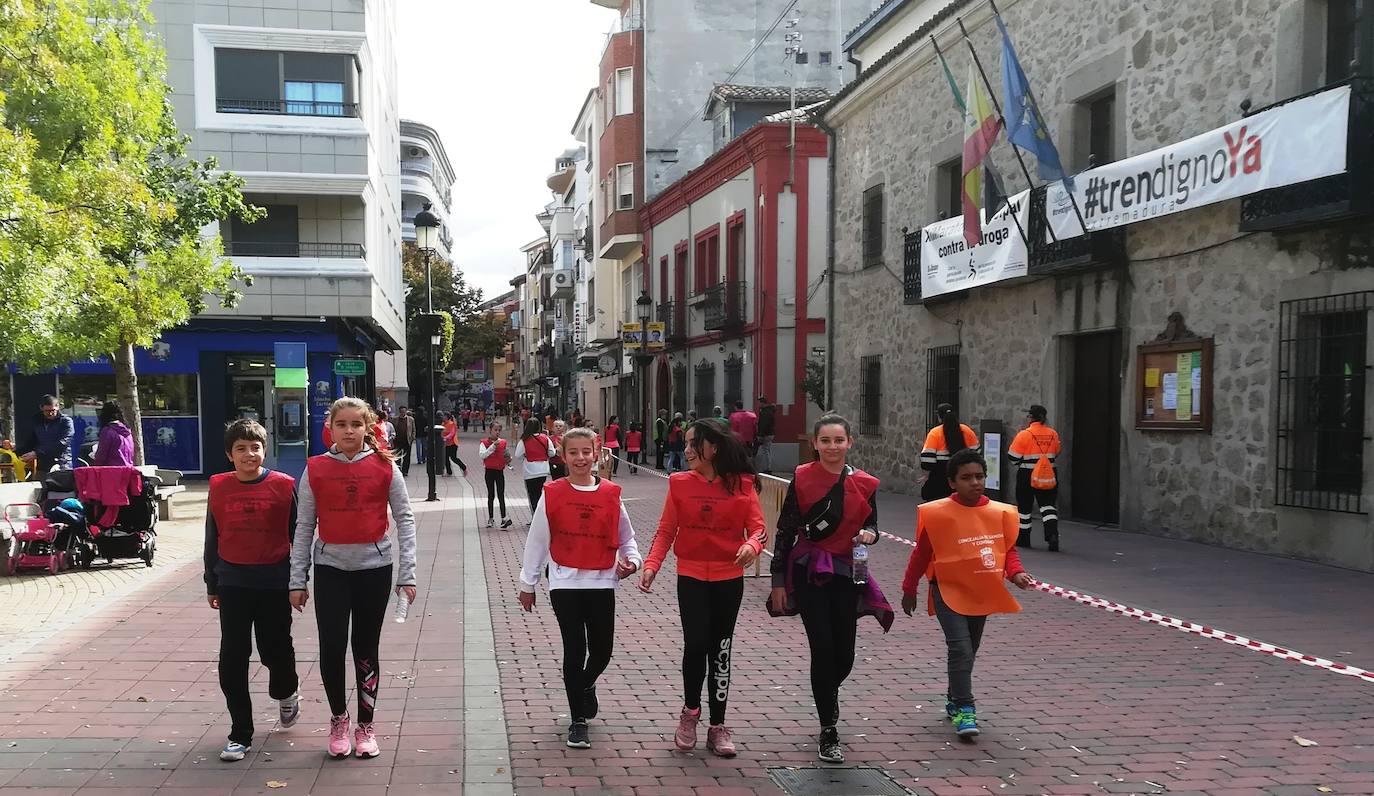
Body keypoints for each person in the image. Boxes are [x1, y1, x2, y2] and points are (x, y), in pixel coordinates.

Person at [290, 398, 418, 760]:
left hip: (373, 569)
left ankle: (366, 725)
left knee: (365, 648)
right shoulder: (315, 468)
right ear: (329, 427)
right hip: (330, 569)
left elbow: (405, 519)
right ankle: (338, 719)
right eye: (341, 424)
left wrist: (407, 574)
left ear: (368, 428)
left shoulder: (385, 467)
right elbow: (304, 526)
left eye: (356, 424)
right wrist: (296, 580)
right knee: (331, 647)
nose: (349, 431)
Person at [769, 414, 893, 763]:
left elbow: (873, 525)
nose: (832, 447)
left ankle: (826, 691)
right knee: (823, 648)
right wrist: (778, 580)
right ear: (815, 444)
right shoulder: (802, 478)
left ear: (850, 442)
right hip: (810, 570)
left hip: (848, 570)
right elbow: (785, 529)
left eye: (839, 440)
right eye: (826, 441)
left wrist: (870, 535)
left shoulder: (865, 484)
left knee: (845, 655)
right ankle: (828, 729)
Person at [639, 420, 766, 758]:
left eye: (695, 443)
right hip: (692, 576)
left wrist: (752, 545)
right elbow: (666, 530)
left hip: (729, 578)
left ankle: (718, 726)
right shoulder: (679, 483)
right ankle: (690, 714)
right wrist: (652, 565)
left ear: (715, 447)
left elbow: (759, 529)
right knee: (696, 645)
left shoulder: (742, 485)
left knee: (721, 649)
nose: (688, 450)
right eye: (687, 443)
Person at [517, 427, 641, 749]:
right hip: (564, 582)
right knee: (574, 650)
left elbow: (626, 536)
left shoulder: (611, 494)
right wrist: (527, 583)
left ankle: (585, 686)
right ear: (562, 455)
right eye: (573, 452)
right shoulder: (553, 493)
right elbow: (538, 541)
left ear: (596, 453)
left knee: (602, 651)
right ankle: (577, 721)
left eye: (586, 451)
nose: (581, 458)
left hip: (602, 581)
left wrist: (634, 560)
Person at [900, 449, 1034, 739]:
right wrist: (909, 589)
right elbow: (921, 554)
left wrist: (1016, 574)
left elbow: (1006, 550)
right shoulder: (938, 514)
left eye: (979, 476)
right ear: (952, 483)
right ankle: (965, 709)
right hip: (946, 591)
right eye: (966, 478)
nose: (974, 482)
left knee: (969, 651)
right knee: (960, 648)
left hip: (980, 590)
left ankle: (953, 697)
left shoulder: (999, 513)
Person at [205, 419, 301, 762]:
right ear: (230, 455)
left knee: (274, 651)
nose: (249, 454)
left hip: (274, 581)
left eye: (255, 447)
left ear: (265, 449)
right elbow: (212, 536)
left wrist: (298, 581)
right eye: (241, 449)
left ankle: (287, 690)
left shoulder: (284, 485)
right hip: (233, 581)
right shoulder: (218, 486)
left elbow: (298, 535)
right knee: (232, 656)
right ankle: (240, 733)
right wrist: (211, 581)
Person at [1008, 405, 1063, 551]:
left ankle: (1024, 539)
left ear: (1030, 418)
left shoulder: (1024, 435)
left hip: (1027, 474)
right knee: (1048, 505)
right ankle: (1052, 535)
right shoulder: (1053, 434)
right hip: (1049, 473)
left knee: (1025, 508)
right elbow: (1057, 451)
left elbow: (1013, 457)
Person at [919, 403, 979, 502]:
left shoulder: (935, 433)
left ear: (939, 417)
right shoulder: (967, 430)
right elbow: (977, 455)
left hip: (940, 481)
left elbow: (927, 461)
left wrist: (928, 475)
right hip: (964, 477)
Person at [15, 395, 74, 475]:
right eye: (47, 411)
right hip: (41, 465)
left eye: (53, 410)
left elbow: (63, 442)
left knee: (61, 486)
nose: (50, 413)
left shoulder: (65, 421)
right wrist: (15, 452)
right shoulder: (36, 420)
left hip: (61, 463)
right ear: (41, 408)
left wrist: (37, 453)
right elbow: (31, 442)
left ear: (58, 407)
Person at [514, 419, 556, 518]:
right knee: (539, 493)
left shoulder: (524, 440)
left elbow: (517, 455)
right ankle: (541, 515)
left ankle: (535, 517)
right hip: (543, 469)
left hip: (530, 470)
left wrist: (525, 455)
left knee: (532, 495)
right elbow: (552, 453)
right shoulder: (545, 438)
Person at [480, 422, 513, 529]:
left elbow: (505, 455)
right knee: (491, 495)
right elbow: (482, 455)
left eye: (499, 430)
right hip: (489, 471)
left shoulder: (503, 442)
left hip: (499, 471)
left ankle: (504, 518)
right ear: (490, 430)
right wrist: (492, 446)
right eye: (495, 430)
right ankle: (491, 518)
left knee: (501, 494)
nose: (497, 432)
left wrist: (508, 460)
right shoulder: (484, 443)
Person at [92, 402, 135, 467]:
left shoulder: (107, 431)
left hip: (112, 472)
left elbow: (101, 457)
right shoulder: (128, 432)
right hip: (127, 471)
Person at [443, 412, 468, 477]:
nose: (443, 417)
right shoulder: (443, 424)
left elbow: (452, 433)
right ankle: (449, 472)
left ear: (447, 417)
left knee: (453, 458)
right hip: (446, 444)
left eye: (444, 416)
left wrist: (446, 438)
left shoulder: (452, 424)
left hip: (453, 444)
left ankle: (464, 467)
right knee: (445, 458)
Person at [755, 396, 776, 474]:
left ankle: (767, 468)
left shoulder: (764, 412)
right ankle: (767, 467)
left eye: (759, 403)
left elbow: (764, 424)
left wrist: (760, 435)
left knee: (765, 450)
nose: (758, 405)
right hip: (770, 433)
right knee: (767, 450)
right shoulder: (770, 410)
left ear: (762, 403)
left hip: (766, 434)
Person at [394, 407, 415, 477]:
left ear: (406, 412)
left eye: (404, 412)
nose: (403, 413)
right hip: (397, 441)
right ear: (399, 412)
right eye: (401, 412)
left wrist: (412, 438)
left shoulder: (411, 419)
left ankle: (405, 471)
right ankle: (398, 470)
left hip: (407, 441)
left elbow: (413, 430)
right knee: (397, 457)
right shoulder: (395, 419)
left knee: (407, 457)